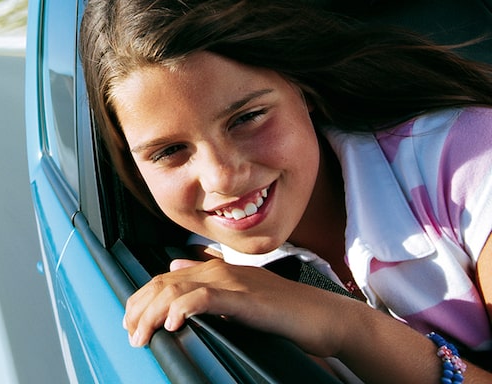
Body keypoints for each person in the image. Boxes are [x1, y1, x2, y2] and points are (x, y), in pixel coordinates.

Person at [79, 0, 492, 382]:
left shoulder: (468, 159)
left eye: (247, 118)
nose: (223, 178)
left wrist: (345, 326)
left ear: (302, 88)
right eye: (169, 151)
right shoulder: (203, 280)